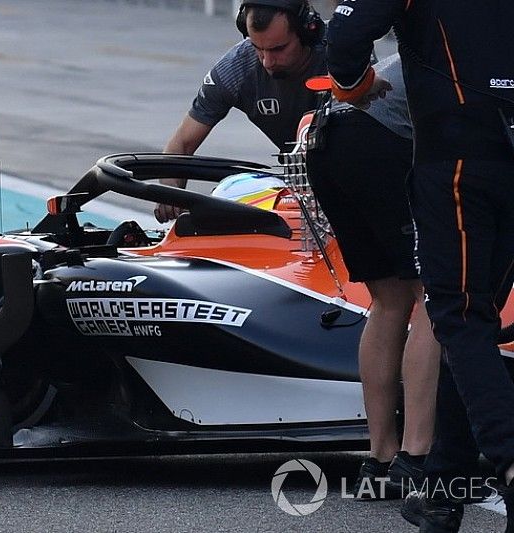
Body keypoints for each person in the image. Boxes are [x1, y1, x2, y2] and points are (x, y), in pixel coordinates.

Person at [326, 0, 514, 531]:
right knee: (472, 325)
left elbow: (345, 36)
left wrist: (354, 88)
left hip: (457, 157)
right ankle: (441, 490)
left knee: (457, 317)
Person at [305, 54, 440, 499]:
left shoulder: (442, 37)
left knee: (389, 299)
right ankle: (417, 457)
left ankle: (380, 459)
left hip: (327, 142)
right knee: (436, 294)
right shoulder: (491, 46)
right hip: (377, 144)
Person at [154, 0, 327, 222]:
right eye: (258, 48)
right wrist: (171, 193)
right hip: (301, 184)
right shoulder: (235, 69)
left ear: (307, 32)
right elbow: (181, 144)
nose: (267, 61)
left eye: (278, 49)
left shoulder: (342, 53)